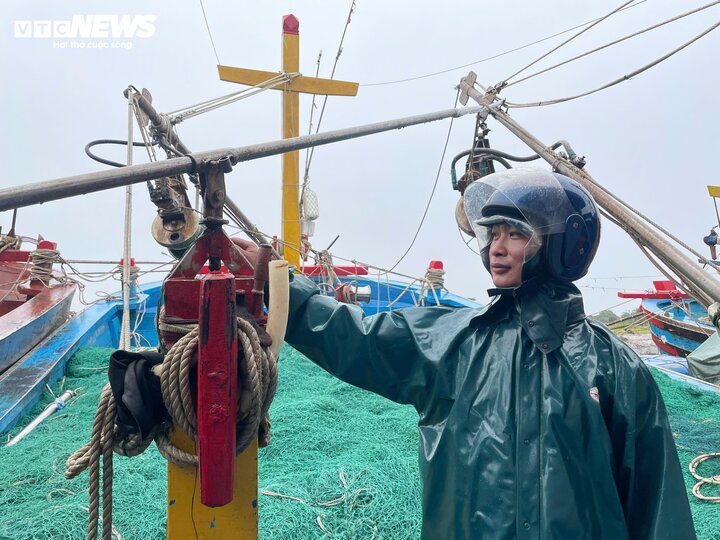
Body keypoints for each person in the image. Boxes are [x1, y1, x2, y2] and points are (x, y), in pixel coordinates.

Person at [237, 168, 696, 539]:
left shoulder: (615, 366)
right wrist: (280, 286)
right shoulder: (452, 341)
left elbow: (657, 508)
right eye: (493, 233)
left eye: (516, 233)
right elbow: (350, 335)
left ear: (562, 243)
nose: (496, 247)